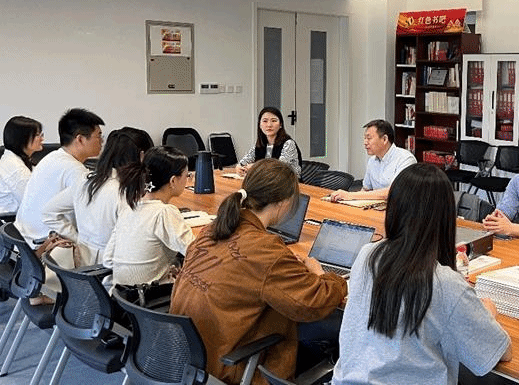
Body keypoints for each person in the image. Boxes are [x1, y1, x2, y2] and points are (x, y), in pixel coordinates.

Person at [171, 159, 347, 385]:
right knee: (330, 331)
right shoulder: (265, 250)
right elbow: (313, 303)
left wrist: (286, 267)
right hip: (228, 366)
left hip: (183, 357)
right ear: (284, 203)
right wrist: (322, 274)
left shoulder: (213, 229)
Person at [333, 163, 511, 385]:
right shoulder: (445, 283)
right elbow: (500, 352)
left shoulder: (368, 254)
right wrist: (488, 315)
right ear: (446, 217)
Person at [42, 128, 154, 265]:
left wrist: (77, 239)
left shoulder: (85, 180)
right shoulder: (124, 193)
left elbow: (49, 212)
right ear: (142, 156)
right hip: (112, 267)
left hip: (83, 265)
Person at [103, 146, 195, 286]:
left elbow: (108, 260)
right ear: (173, 181)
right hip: (152, 296)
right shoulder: (164, 212)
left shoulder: (129, 208)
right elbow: (196, 252)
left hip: (120, 295)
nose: (188, 179)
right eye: (186, 176)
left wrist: (158, 268)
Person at [15, 108, 104, 245]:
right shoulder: (75, 171)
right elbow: (89, 219)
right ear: (80, 139)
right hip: (46, 245)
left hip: (24, 241)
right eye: (98, 136)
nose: (102, 141)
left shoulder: (52, 157)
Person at [329, 119, 416, 202]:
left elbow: (391, 192)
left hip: (399, 210)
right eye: (365, 138)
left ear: (385, 139)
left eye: (369, 138)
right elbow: (366, 190)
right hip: (376, 207)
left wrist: (349, 195)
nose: (365, 142)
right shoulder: (372, 161)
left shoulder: (405, 159)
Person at [236, 107, 301, 177]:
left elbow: (279, 168)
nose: (269, 125)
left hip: (288, 181)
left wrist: (255, 167)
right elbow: (245, 161)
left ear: (280, 125)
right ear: (260, 125)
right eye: (265, 121)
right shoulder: (260, 144)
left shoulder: (289, 144)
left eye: (274, 121)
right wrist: (239, 166)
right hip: (266, 181)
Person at [0, 116, 43, 214]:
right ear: (22, 139)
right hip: (10, 219)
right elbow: (33, 203)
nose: (42, 139)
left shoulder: (17, 159)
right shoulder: (15, 167)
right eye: (37, 135)